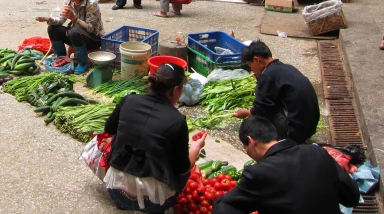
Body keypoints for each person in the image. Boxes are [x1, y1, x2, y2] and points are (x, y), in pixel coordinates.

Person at [103, 64, 207, 213]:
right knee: (182, 169)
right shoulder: (177, 121)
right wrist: (196, 148)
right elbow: (182, 168)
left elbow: (109, 129)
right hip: (152, 203)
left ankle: (125, 199)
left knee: (116, 139)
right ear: (176, 89)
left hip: (116, 192)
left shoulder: (129, 100)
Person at [213, 117, 360, 214]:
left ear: (251, 141)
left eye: (245, 147)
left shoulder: (258, 173)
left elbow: (224, 209)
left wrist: (219, 201)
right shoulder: (317, 152)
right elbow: (352, 197)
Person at [233, 41, 319, 143]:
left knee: (260, 103)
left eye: (250, 66)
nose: (251, 71)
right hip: (310, 127)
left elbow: (261, 109)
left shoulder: (267, 76)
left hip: (293, 132)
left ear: (256, 60)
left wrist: (247, 112)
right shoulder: (285, 68)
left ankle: (283, 137)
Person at [44, 0, 104, 74]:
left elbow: (91, 29)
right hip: (75, 36)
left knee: (74, 31)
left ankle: (82, 63)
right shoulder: (68, 0)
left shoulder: (91, 4)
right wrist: (49, 19)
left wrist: (74, 19)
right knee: (52, 29)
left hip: (94, 38)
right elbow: (61, 20)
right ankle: (62, 59)